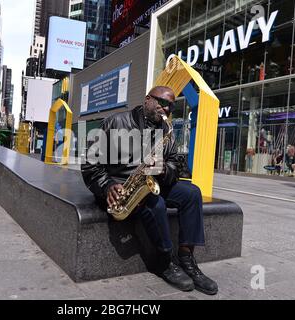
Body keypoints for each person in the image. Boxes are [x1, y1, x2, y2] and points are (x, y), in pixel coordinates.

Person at [81, 86, 218, 295]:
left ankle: (187, 258)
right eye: (162, 102)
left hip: (152, 182)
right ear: (147, 100)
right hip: (120, 187)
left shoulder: (166, 129)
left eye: (171, 106)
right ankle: (164, 262)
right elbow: (90, 165)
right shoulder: (114, 122)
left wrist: (163, 169)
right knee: (155, 203)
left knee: (192, 193)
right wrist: (107, 185)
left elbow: (177, 165)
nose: (166, 109)